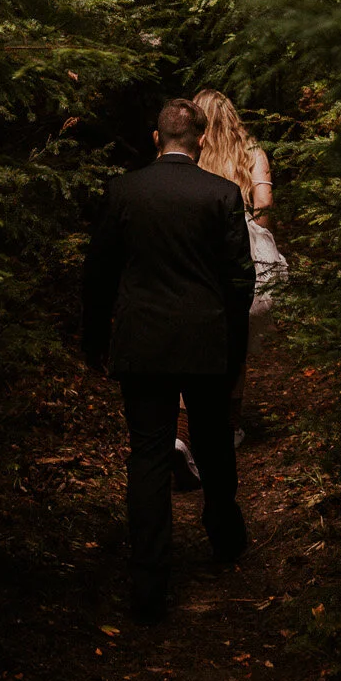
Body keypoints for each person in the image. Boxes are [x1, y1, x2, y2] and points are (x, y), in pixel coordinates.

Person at [81, 97, 255, 623]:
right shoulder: (222, 194)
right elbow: (239, 281)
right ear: (200, 140)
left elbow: (99, 273)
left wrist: (95, 340)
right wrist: (233, 346)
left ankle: (149, 581)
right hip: (206, 343)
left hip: (144, 344)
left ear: (157, 139)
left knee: (149, 454)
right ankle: (224, 537)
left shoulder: (125, 191)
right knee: (212, 441)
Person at [193, 87, 277, 442]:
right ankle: (230, 425)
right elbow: (264, 205)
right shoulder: (252, 152)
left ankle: (187, 429)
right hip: (242, 253)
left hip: (200, 250)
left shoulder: (191, 152)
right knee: (236, 340)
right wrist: (256, 233)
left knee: (195, 337)